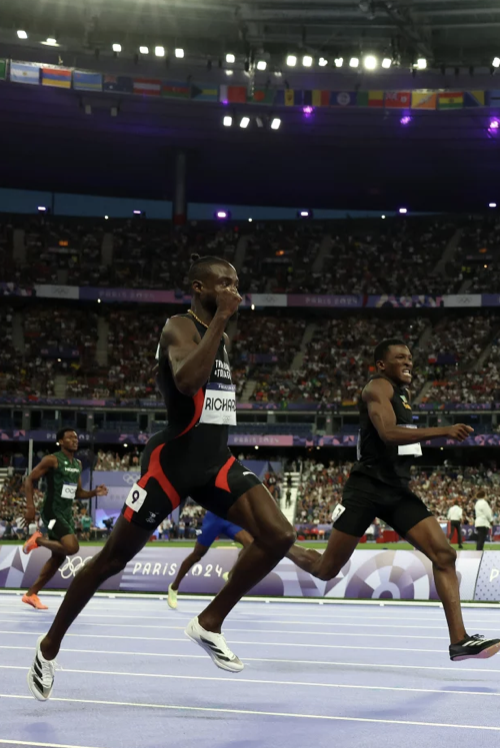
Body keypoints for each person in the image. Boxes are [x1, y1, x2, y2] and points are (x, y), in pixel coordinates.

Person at [28, 255, 299, 701]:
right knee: (110, 561)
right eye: (224, 282)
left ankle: (209, 622)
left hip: (216, 463)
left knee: (279, 534)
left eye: (237, 282)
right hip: (170, 467)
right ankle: (48, 647)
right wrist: (222, 320)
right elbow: (189, 382)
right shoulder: (178, 326)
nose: (234, 288)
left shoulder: (221, 335)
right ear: (198, 287)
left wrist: (222, 325)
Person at [285, 339, 500, 661]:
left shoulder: (404, 394)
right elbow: (387, 432)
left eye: (411, 357)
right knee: (326, 569)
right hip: (366, 488)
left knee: (445, 556)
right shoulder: (377, 388)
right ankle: (280, 544)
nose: (409, 361)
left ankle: (459, 641)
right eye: (400, 357)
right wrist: (442, 430)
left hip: (397, 491)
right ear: (381, 365)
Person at [20, 428, 109, 610]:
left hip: (66, 513)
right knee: (72, 547)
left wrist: (94, 493)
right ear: (60, 441)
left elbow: (77, 493)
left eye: (76, 438)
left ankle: (31, 594)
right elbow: (29, 480)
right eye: (69, 437)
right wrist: (31, 507)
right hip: (52, 511)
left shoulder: (77, 464)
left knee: (58, 558)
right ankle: (38, 540)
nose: (74, 440)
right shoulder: (52, 460)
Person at [167, 509, 255, 609]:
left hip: (230, 518)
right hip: (214, 518)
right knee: (197, 555)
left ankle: (231, 574)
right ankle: (174, 587)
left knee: (250, 544)